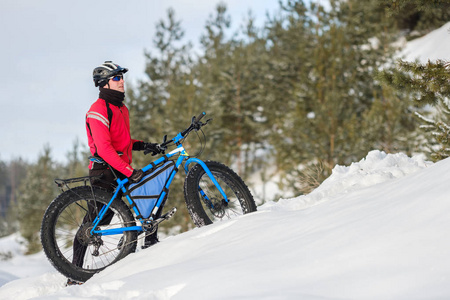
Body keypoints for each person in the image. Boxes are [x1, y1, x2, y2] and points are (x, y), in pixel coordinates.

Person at [68, 61, 160, 285]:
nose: (122, 82)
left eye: (122, 78)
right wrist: (130, 171)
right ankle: (74, 274)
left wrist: (144, 145)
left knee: (147, 199)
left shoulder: (121, 108)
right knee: (93, 224)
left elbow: (123, 142)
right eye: (117, 78)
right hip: (104, 171)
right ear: (104, 83)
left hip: (119, 168)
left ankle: (151, 242)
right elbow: (104, 148)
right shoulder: (97, 110)